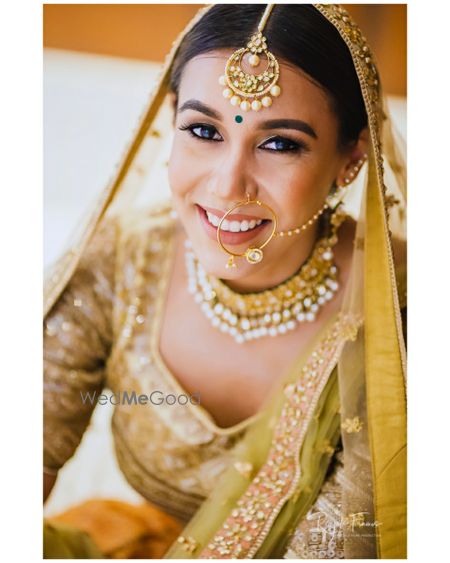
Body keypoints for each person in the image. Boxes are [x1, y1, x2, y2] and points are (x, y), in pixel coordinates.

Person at [43, 4, 407, 559]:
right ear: (170, 119)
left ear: (351, 158)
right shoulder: (120, 262)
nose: (227, 185)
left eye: (280, 143)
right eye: (203, 130)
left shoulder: (402, 321)